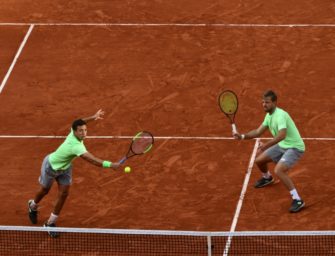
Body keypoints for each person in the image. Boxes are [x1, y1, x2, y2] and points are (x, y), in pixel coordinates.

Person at [28, 109, 120, 237]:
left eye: (85, 130)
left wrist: (93, 117)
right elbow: (92, 160)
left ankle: (50, 223)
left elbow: (80, 121)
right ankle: (32, 206)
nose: (84, 133)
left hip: (65, 168)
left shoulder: (74, 131)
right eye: (81, 131)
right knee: (44, 190)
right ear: (75, 131)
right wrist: (110, 164)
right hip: (50, 166)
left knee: (64, 193)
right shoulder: (76, 146)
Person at [233, 90, 305, 213]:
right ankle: (267, 178)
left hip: (294, 147)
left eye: (267, 102)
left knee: (279, 170)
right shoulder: (269, 116)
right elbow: (257, 132)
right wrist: (242, 136)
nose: (264, 105)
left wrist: (265, 146)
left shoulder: (281, 115)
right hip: (282, 145)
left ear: (274, 103)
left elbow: (282, 135)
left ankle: (297, 199)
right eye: (262, 102)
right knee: (259, 161)